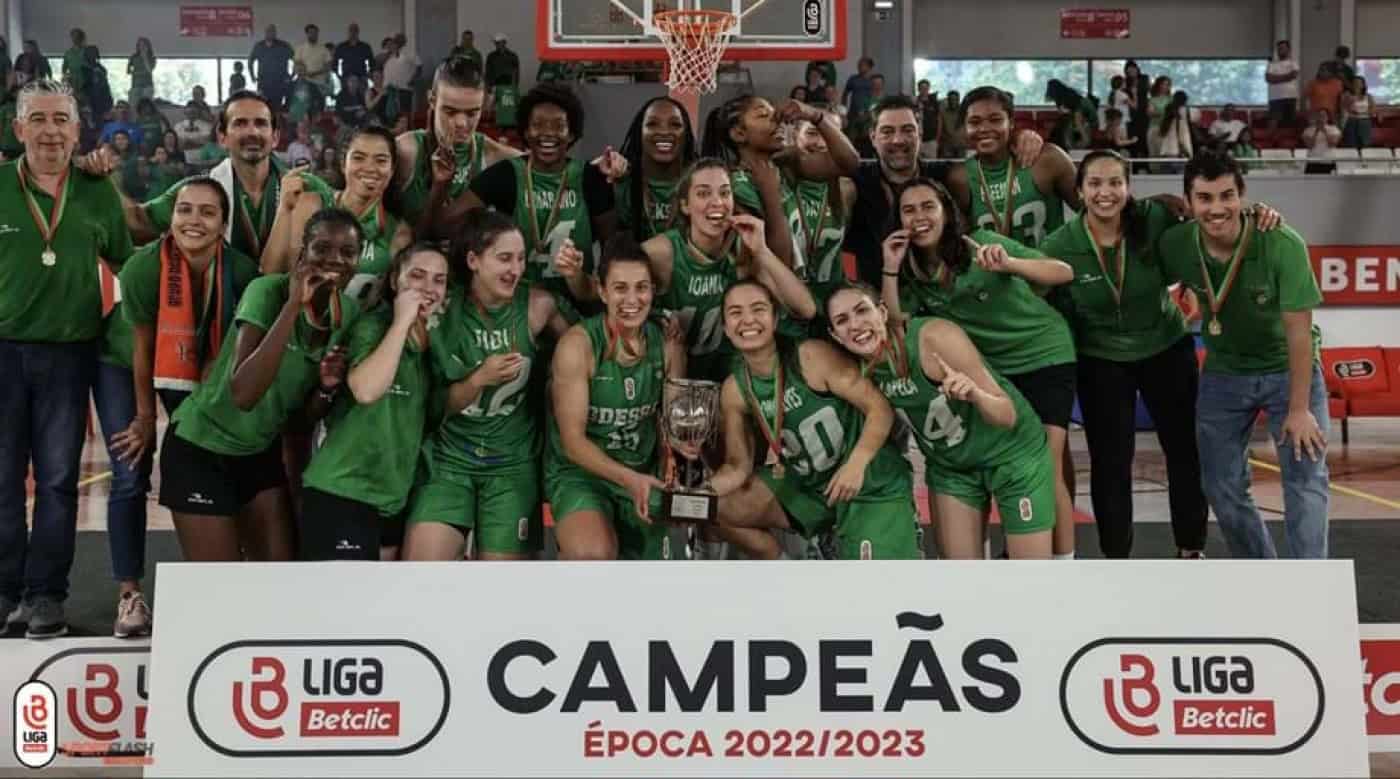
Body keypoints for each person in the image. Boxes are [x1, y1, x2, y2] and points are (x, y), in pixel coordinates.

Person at [880, 178, 1078, 558]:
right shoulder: (911, 272)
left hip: (1041, 355)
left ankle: (1065, 560)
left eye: (928, 207)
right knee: (989, 456)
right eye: (909, 210)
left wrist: (1011, 263)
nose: (920, 217)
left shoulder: (981, 243)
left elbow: (1062, 271)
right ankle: (983, 554)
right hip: (989, 368)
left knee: (1045, 463)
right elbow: (894, 325)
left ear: (946, 213)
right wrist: (890, 269)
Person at [0, 80, 134, 639]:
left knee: (56, 481)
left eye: (61, 120)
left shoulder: (98, 189)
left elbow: (126, 263)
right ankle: (6, 591)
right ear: (18, 128)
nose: (50, 131)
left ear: (77, 131)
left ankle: (46, 594)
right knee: (2, 481)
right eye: (38, 119)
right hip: (3, 353)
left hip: (70, 353)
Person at [157, 208, 362, 563]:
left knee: (276, 579)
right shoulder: (267, 291)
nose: (335, 259)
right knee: (219, 586)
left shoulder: (347, 315)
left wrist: (327, 388)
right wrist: (292, 308)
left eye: (348, 252)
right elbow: (244, 393)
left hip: (257, 454)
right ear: (303, 254)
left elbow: (300, 421)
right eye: (323, 248)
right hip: (201, 449)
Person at [1157, 151, 1328, 558]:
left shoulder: (1281, 243)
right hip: (1224, 375)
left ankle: (1309, 585)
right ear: (1190, 201)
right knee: (1221, 487)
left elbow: (1300, 333)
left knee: (1305, 480)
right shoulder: (1176, 245)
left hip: (1289, 371)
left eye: (1226, 196)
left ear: (1242, 196)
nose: (1217, 208)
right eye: (1205, 198)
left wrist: (1300, 409)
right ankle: (1262, 576)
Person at [107, 177, 259, 633]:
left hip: (210, 380)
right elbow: (141, 345)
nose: (193, 221)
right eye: (184, 210)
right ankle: (129, 594)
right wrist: (144, 417)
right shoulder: (141, 270)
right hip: (141, 366)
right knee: (131, 468)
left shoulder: (241, 271)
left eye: (207, 212)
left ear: (223, 224)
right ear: (170, 216)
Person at [1037, 151, 1207, 558]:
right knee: (1111, 464)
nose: (1105, 192)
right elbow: (1046, 308)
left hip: (1166, 348)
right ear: (1079, 191)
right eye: (1095, 183)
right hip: (1101, 360)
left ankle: (1191, 550)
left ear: (1128, 188)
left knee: (1185, 451)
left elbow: (1205, 225)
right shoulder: (1059, 244)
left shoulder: (1156, 219)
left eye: (1115, 182)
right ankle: (1116, 560)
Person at [825, 284, 1055, 558]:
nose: (855, 325)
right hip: (952, 466)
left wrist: (975, 394)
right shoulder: (856, 373)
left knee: (1031, 576)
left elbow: (1006, 415)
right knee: (959, 580)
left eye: (862, 310)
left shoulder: (934, 338)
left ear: (883, 312)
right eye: (842, 320)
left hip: (1012, 454)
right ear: (835, 336)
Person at [707, 280, 919, 560]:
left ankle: (888, 528)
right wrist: (695, 494)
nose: (748, 319)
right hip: (810, 488)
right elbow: (737, 466)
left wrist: (856, 465)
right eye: (735, 313)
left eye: (758, 309)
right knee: (710, 508)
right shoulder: (734, 389)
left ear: (775, 317)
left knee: (873, 587)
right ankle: (785, 566)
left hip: (868, 482)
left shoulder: (810, 356)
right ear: (725, 327)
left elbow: (879, 407)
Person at [405, 210, 571, 561]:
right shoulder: (443, 308)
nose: (516, 269)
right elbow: (430, 408)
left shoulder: (537, 306)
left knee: (501, 591)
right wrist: (478, 380)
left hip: (512, 465)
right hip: (449, 462)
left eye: (521, 259)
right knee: (420, 575)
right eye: (504, 258)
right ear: (473, 260)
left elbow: (584, 348)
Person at [587, 158, 816, 382]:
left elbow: (805, 308)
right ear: (685, 205)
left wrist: (763, 251)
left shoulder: (744, 250)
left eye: (724, 193)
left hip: (724, 375)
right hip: (668, 371)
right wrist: (655, 318)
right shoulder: (661, 253)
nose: (717, 202)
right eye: (704, 193)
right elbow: (609, 296)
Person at [301, 243, 449, 561]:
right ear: (396, 281)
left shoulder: (434, 344)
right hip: (342, 492)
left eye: (439, 280)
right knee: (341, 607)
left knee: (381, 608)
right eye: (418, 276)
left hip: (392, 499)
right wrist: (401, 322)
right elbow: (366, 390)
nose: (429, 288)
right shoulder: (373, 326)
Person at [546, 235, 687, 560]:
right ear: (602, 291)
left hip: (642, 468)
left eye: (642, 287)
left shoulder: (668, 342)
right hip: (582, 473)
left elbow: (674, 418)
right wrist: (629, 478)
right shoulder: (577, 345)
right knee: (593, 556)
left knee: (656, 572)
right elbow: (572, 441)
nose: (632, 299)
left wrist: (677, 455)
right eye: (621, 288)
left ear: (653, 291)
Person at [844, 94, 1042, 288]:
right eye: (887, 131)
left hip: (943, 300)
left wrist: (1019, 137)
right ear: (872, 137)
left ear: (920, 134)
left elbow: (990, 156)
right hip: (879, 303)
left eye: (907, 130)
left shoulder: (946, 177)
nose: (898, 140)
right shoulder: (855, 185)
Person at [459, 83, 624, 302]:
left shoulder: (591, 179)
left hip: (578, 301)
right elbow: (446, 224)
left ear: (572, 132)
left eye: (559, 125)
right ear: (526, 131)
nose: (548, 133)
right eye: (537, 125)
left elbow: (613, 250)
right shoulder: (506, 175)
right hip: (519, 305)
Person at [701, 94, 859, 276]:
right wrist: (771, 196)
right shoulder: (737, 186)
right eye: (763, 115)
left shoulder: (784, 167)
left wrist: (815, 116)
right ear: (739, 133)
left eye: (775, 113)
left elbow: (850, 164)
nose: (778, 120)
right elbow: (780, 264)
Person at [264, 125, 413, 309]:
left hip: (357, 332)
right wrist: (284, 210)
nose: (369, 168)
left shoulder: (398, 232)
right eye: (359, 158)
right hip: (301, 323)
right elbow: (270, 275)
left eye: (381, 161)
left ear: (391, 170)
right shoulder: (311, 204)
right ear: (343, 164)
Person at [128, 91, 288, 261]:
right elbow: (139, 222)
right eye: (240, 124)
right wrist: (101, 181)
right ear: (222, 137)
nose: (252, 132)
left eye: (261, 123)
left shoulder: (307, 188)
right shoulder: (193, 192)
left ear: (275, 137)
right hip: (217, 286)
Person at [395, 57, 519, 236]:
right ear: (431, 100)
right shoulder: (405, 152)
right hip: (414, 259)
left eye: (472, 113)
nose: (461, 123)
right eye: (450, 111)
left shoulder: (497, 157)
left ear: (483, 105)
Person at [947, 87, 1077, 248]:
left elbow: (1092, 214)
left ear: (1011, 123)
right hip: (994, 272)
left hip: (1050, 270)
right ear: (965, 128)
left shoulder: (1047, 159)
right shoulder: (960, 178)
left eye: (995, 120)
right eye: (974, 122)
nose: (985, 129)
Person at [614, 96, 698, 241]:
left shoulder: (700, 181)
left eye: (675, 125)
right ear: (639, 132)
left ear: (686, 134)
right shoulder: (621, 180)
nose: (664, 132)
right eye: (652, 124)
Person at [249, 25, 294, 110]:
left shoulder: (283, 45)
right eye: (268, 31)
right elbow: (250, 61)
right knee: (263, 105)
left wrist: (292, 76)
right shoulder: (259, 46)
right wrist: (252, 76)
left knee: (277, 106)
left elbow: (295, 60)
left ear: (275, 33)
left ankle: (277, 122)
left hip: (279, 81)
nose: (270, 33)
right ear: (265, 33)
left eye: (272, 31)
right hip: (263, 81)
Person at [382, 35, 421, 126]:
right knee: (391, 114)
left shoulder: (409, 52)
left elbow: (419, 67)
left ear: (404, 42)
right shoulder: (389, 55)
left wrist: (413, 79)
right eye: (395, 41)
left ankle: (407, 130)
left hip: (404, 88)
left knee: (404, 113)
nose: (396, 43)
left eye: (399, 40)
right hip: (389, 89)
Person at [1149, 91, 1194, 163]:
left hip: (1166, 152)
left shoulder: (1166, 120)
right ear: (1185, 100)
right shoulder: (1187, 112)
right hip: (1182, 153)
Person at [294, 24, 332, 103]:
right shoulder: (300, 48)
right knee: (304, 106)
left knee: (318, 107)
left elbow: (328, 66)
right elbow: (298, 64)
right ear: (307, 34)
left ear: (318, 34)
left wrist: (315, 73)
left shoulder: (323, 49)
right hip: (304, 83)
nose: (313, 35)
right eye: (310, 33)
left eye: (315, 33)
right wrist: (305, 73)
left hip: (320, 84)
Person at [1267, 40, 1300, 129]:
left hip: (1290, 96)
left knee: (1290, 123)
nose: (1280, 50)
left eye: (1282, 48)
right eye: (1278, 49)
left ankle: (1288, 142)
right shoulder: (1272, 64)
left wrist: (1276, 78)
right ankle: (1271, 141)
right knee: (1273, 121)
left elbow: (1293, 75)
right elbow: (1269, 78)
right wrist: (1286, 77)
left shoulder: (1293, 63)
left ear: (1288, 49)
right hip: (1275, 97)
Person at [1341, 76, 1377, 150]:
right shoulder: (1346, 95)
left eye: (1359, 83)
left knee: (1365, 144)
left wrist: (1362, 113)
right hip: (1351, 121)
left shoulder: (1368, 96)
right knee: (1351, 144)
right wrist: (1351, 100)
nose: (1356, 84)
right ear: (1351, 84)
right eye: (1354, 82)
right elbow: (1344, 109)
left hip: (1365, 121)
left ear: (1363, 85)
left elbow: (1373, 110)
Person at [841, 57, 875, 130]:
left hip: (867, 114)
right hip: (853, 113)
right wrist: (844, 111)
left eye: (862, 65)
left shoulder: (873, 80)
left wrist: (868, 112)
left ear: (869, 67)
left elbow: (875, 97)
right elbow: (845, 94)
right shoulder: (853, 79)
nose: (859, 67)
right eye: (858, 65)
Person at [127, 37, 156, 105]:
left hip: (147, 86)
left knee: (146, 107)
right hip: (135, 86)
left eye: (144, 45)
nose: (142, 47)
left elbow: (149, 70)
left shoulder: (152, 58)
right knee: (133, 106)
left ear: (148, 46)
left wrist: (145, 57)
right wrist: (133, 72)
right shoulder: (133, 57)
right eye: (140, 45)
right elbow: (128, 71)